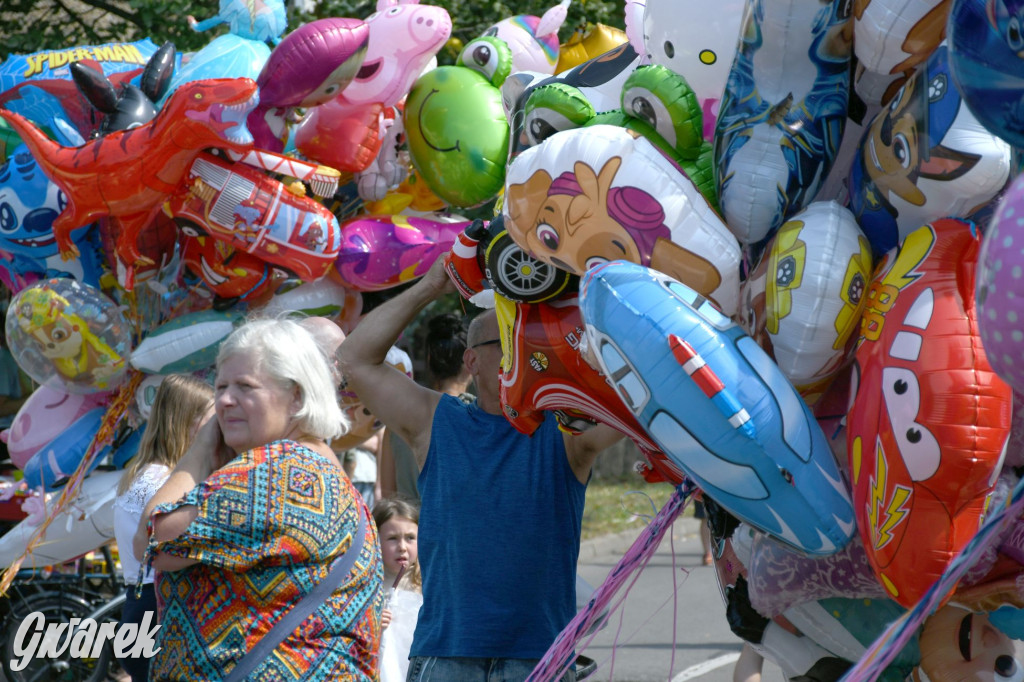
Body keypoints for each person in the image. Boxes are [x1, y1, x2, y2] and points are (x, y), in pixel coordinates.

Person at [339, 259, 625, 682]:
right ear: (471, 361)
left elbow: (633, 398)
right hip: (448, 655)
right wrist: (430, 285)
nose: (524, 349)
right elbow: (354, 359)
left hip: (538, 659)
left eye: (530, 338)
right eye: (508, 339)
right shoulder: (437, 420)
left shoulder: (565, 428)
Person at [135, 317, 383, 681]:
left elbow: (152, 539)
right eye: (220, 386)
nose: (225, 401)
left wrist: (199, 452)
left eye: (245, 387)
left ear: (296, 395)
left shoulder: (276, 469)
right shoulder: (320, 466)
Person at [112, 373, 213, 682]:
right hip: (156, 606)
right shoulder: (163, 482)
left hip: (140, 604)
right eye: (211, 421)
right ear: (189, 422)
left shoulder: (143, 473)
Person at [380, 312, 473, 502]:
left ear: (429, 360)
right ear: (469, 363)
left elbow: (388, 495)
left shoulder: (397, 420)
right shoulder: (479, 417)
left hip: (411, 527)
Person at [374, 498, 423, 682]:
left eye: (410, 538)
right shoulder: (371, 589)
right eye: (392, 539)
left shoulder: (423, 587)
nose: (402, 547)